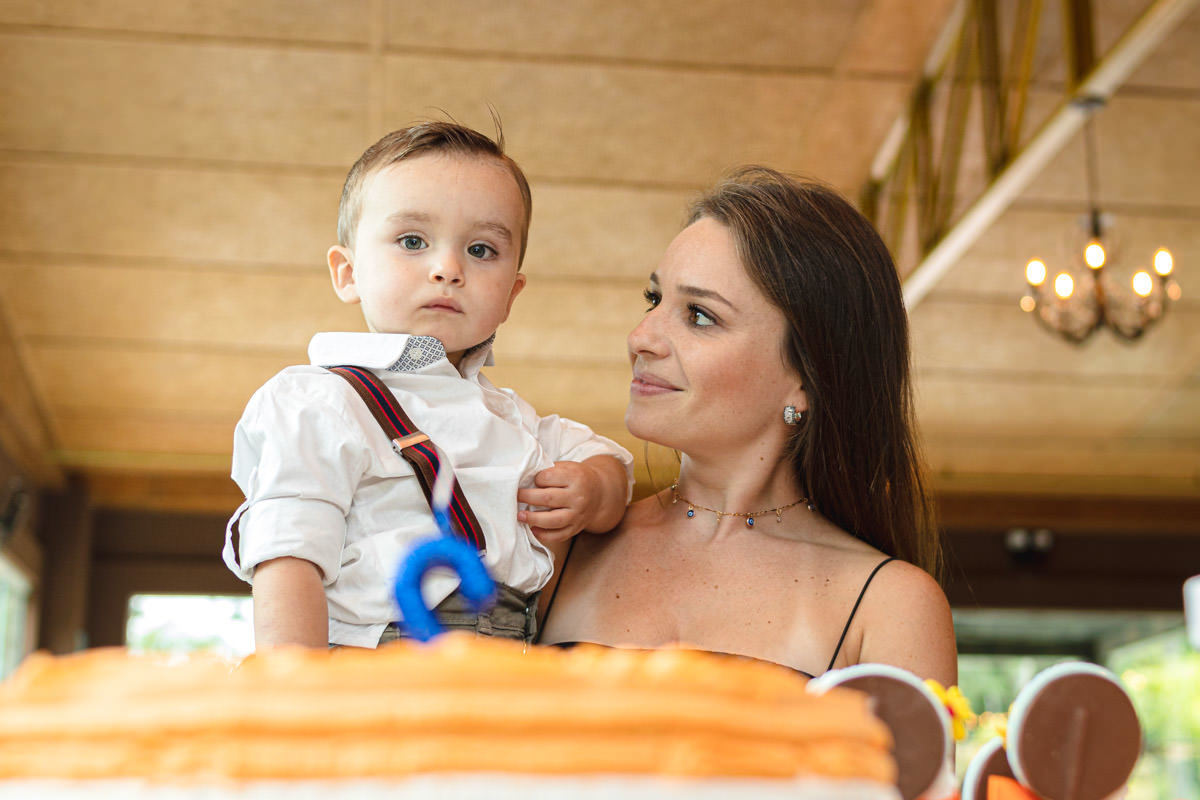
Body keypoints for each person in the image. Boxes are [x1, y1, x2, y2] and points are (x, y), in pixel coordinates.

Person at [538, 166, 957, 685]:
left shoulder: (891, 605)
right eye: (654, 300)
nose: (640, 336)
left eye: (699, 316)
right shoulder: (559, 541)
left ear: (805, 378)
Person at [222, 122, 633, 649]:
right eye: (412, 241)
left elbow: (611, 467)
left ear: (512, 293)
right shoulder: (319, 402)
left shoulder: (515, 419)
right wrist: (296, 690)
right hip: (371, 663)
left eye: (482, 250)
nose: (448, 268)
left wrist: (594, 488)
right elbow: (289, 555)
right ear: (347, 273)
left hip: (507, 669)